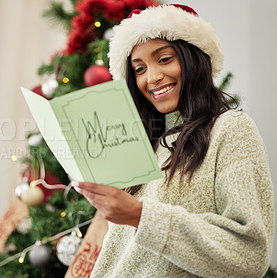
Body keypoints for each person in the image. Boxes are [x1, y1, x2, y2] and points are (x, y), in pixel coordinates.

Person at [71, 4, 275, 278]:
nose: (152, 78)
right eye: (139, 68)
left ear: (194, 58)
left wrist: (142, 216)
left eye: (164, 59)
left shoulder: (231, 130)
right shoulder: (143, 145)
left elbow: (250, 255)